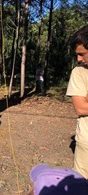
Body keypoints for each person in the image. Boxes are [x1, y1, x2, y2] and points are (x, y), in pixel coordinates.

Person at [66, 24, 88, 179]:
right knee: (82, 185)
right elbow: (81, 108)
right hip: (86, 143)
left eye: (82, 54)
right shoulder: (79, 72)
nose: (79, 59)